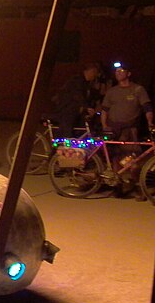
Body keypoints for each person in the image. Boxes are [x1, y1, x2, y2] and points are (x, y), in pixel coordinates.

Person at [100, 62, 154, 200]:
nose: (118, 73)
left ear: (128, 73)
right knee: (116, 159)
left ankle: (139, 187)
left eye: (121, 71)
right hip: (114, 129)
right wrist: (104, 125)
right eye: (116, 71)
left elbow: (147, 108)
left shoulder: (137, 90)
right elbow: (104, 110)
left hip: (130, 130)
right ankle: (118, 187)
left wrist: (150, 122)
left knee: (134, 160)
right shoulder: (112, 91)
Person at [52, 61, 102, 139]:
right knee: (66, 133)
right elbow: (78, 96)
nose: (95, 76)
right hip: (67, 110)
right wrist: (87, 107)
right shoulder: (77, 81)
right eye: (95, 73)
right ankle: (60, 148)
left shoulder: (86, 84)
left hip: (75, 111)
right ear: (91, 71)